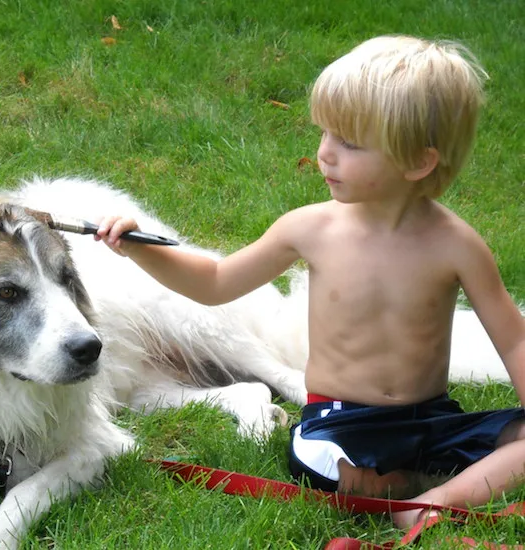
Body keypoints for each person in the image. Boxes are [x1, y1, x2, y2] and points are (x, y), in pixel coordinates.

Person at [94, 35, 525, 528]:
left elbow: (512, 337)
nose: (325, 154)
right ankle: (412, 485)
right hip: (339, 422)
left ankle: (433, 498)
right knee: (315, 461)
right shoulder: (310, 229)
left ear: (418, 162)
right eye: (324, 134)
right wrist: (142, 250)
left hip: (430, 419)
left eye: (349, 142)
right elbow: (215, 282)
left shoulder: (457, 246)